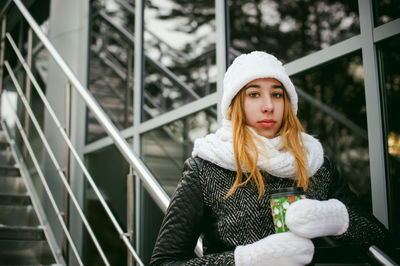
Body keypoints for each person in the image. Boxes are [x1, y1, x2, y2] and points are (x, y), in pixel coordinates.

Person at [150, 51, 390, 265]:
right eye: (254, 94)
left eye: (277, 95)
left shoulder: (315, 162)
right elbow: (164, 261)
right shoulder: (206, 168)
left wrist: (337, 219)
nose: (268, 106)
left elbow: (380, 238)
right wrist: (244, 260)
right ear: (236, 104)